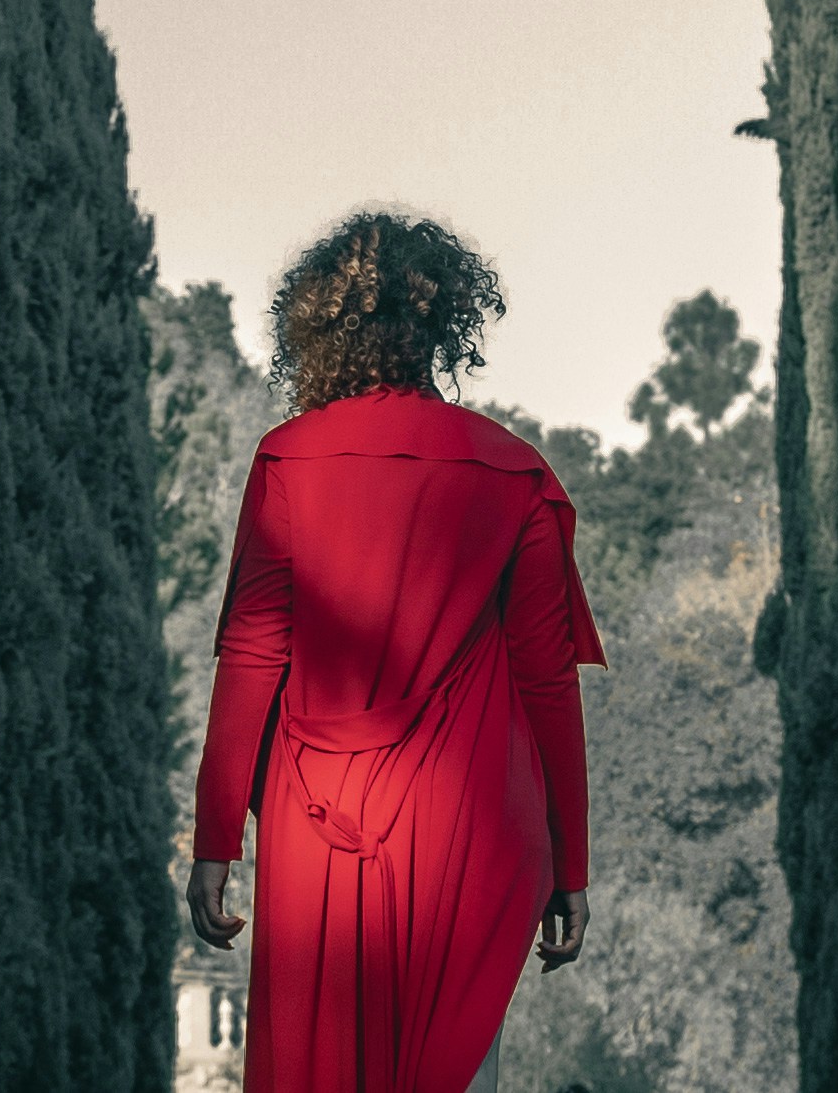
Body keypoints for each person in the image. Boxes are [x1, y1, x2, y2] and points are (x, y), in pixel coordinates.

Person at [186, 210, 604, 1093]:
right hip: (470, 831)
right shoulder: (514, 470)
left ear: (319, 330)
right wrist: (571, 864)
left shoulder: (287, 461)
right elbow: (545, 680)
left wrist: (215, 842)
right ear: (443, 323)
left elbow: (253, 655)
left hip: (319, 831)